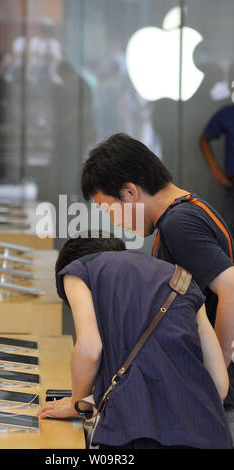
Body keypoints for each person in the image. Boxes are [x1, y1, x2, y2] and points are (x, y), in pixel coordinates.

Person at [79, 132, 234, 436]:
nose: (115, 221)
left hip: (213, 401)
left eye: (108, 208)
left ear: (130, 192)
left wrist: (214, 379)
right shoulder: (190, 208)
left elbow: (231, 289)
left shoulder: (179, 224)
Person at [38, 233, 232, 449]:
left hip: (137, 432)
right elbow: (220, 386)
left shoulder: (78, 270)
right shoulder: (183, 279)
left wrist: (76, 402)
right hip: (209, 432)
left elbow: (90, 350)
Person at [199, 104, 234, 235]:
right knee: (226, 236)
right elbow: (203, 139)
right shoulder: (229, 113)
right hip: (232, 188)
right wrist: (216, 170)